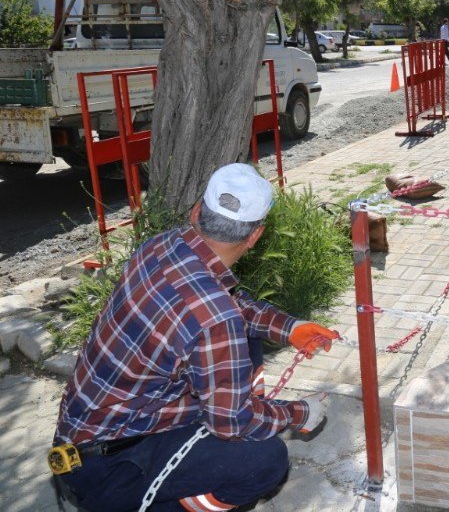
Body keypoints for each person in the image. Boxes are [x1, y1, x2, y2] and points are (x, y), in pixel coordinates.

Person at [51, 163, 338, 512]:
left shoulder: (161, 245)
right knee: (265, 459)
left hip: (83, 429)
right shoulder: (216, 320)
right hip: (108, 463)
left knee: (246, 343)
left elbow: (228, 306)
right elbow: (232, 422)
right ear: (255, 235)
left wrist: (289, 328)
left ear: (197, 211)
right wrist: (298, 413)